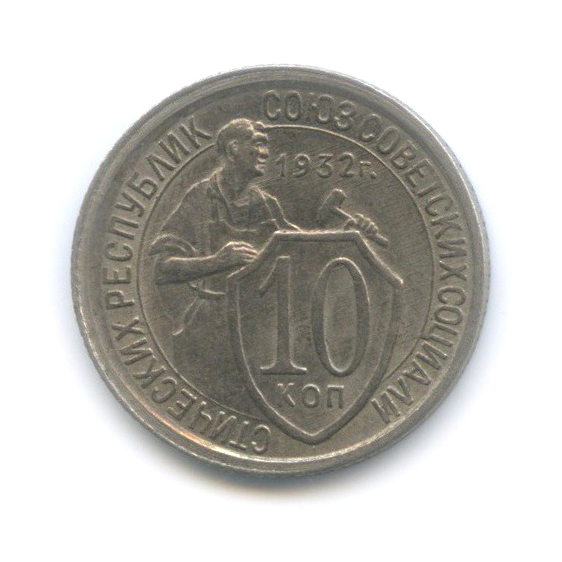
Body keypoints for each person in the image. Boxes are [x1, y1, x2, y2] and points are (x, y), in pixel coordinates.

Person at [150, 118, 297, 411]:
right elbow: (162, 269)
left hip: (259, 332)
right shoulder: (199, 198)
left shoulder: (266, 205)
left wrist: (348, 232)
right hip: (208, 331)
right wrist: (217, 262)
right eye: (258, 144)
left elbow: (301, 248)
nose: (265, 152)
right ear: (233, 149)